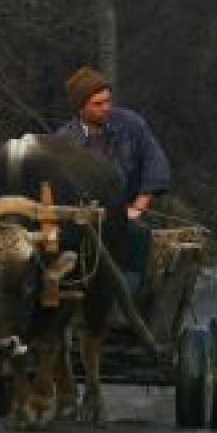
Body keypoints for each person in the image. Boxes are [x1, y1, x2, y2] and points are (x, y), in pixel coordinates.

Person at [55, 67, 171, 290]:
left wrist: (138, 207)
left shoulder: (131, 125)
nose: (106, 108)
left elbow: (156, 164)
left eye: (107, 101)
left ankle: (125, 301)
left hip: (128, 215)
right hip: (84, 221)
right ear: (81, 107)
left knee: (136, 236)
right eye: (97, 104)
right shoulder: (64, 142)